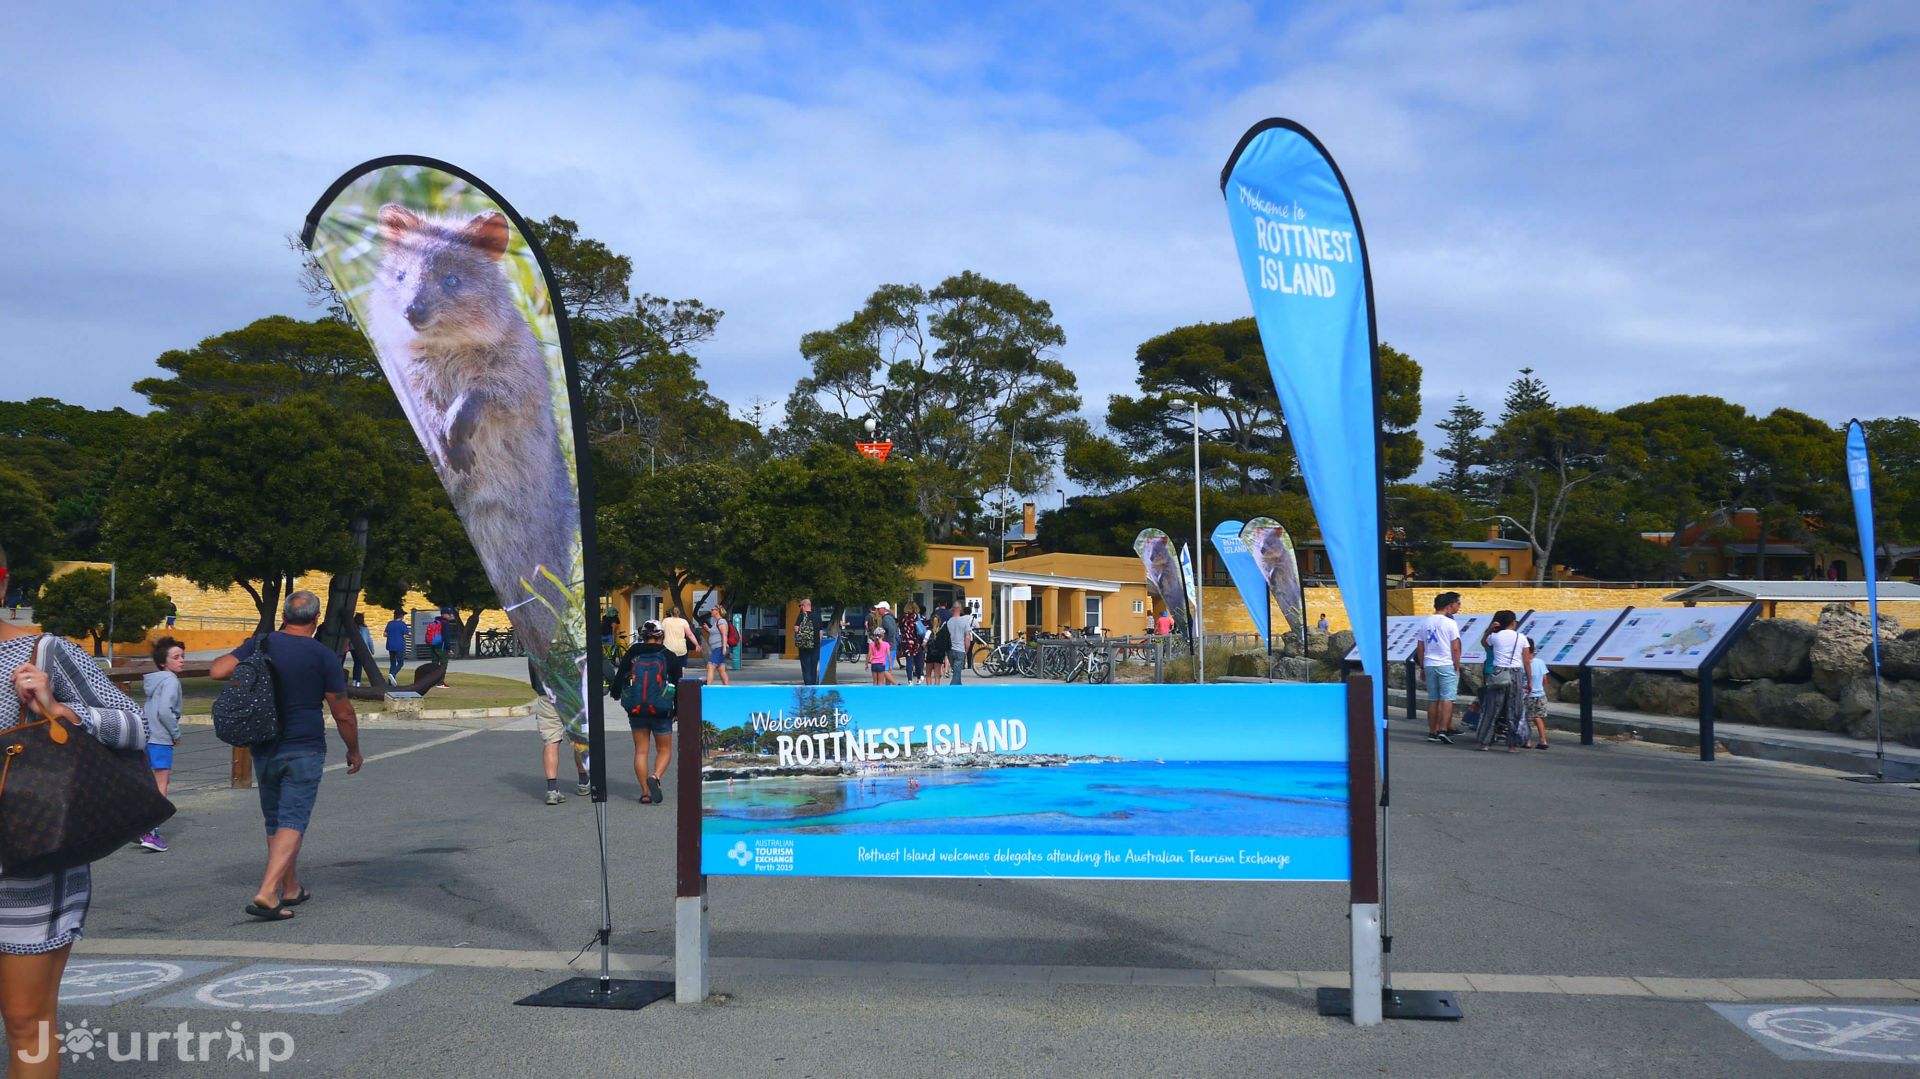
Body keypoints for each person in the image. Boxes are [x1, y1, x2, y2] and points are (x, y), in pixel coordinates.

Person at [0, 543, 150, 1079]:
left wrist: (62, 709)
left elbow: (137, 725)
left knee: (25, 1020)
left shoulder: (45, 653)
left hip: (28, 858)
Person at [210, 591, 365, 922]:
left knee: (275, 819)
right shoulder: (322, 655)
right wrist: (353, 750)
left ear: (283, 616)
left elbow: (218, 670)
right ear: (315, 619)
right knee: (294, 818)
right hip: (304, 745)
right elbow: (343, 712)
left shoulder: (261, 644)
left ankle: (290, 887)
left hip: (265, 743)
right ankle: (268, 892)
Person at [611, 620, 684, 804]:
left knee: (641, 751)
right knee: (664, 750)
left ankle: (645, 792)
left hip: (636, 711)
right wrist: (678, 710)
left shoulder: (633, 653)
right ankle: (656, 777)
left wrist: (616, 693)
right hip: (662, 711)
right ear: (661, 636)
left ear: (643, 636)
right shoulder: (669, 656)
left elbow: (619, 678)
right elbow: (678, 685)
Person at [137, 636, 187, 852]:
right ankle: (151, 832)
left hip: (147, 735)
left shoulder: (156, 681)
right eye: (176, 657)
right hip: (161, 737)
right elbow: (165, 711)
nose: (181, 660)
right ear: (163, 662)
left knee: (147, 783)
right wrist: (175, 732)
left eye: (182, 656)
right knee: (161, 785)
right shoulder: (171, 681)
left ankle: (139, 827)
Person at [530, 661, 589, 805]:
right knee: (578, 739)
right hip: (570, 693)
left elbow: (534, 675)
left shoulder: (537, 643)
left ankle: (552, 789)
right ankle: (583, 781)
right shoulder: (569, 641)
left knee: (551, 741)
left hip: (546, 695)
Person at [1476, 610, 1532, 753]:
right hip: (1516, 673)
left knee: (1492, 708)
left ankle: (1485, 742)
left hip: (1498, 673)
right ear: (1513, 622)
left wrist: (1489, 629)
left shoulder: (1495, 637)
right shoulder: (1522, 638)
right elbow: (1526, 662)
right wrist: (1530, 680)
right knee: (1514, 709)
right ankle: (1512, 745)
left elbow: (1484, 643)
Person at [1415, 591, 1463, 744]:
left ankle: (1432, 731)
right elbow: (1455, 647)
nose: (1458, 606)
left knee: (1433, 699)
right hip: (1446, 663)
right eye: (1457, 603)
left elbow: (1420, 647)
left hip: (1429, 664)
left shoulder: (1425, 622)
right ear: (1449, 605)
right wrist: (1457, 664)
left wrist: (1422, 666)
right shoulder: (1450, 623)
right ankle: (1443, 729)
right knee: (1447, 698)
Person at [1525, 637, 1552, 750]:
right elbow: (1545, 679)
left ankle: (1527, 741)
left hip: (1528, 695)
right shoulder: (1540, 662)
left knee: (1526, 718)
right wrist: (1545, 692)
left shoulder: (1523, 664)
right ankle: (1543, 740)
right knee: (1538, 717)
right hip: (1540, 694)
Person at [944, 598, 976, 685]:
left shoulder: (948, 622)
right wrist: (966, 650)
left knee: (956, 672)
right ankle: (952, 691)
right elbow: (967, 638)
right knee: (957, 674)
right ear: (960, 609)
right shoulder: (964, 622)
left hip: (950, 650)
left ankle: (959, 689)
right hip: (960, 650)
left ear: (952, 610)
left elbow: (945, 636)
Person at [793, 598, 822, 686]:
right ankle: (813, 685)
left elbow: (796, 628)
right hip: (815, 645)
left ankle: (808, 685)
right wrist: (818, 643)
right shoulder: (817, 616)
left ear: (804, 606)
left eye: (800, 606)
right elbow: (820, 632)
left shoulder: (801, 615)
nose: (800, 608)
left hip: (804, 645)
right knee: (813, 667)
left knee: (806, 667)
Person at [704, 606, 732, 687]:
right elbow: (715, 633)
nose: (711, 611)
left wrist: (723, 648)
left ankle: (708, 688)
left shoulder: (721, 621)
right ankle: (727, 688)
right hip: (717, 648)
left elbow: (724, 635)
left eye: (713, 609)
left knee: (710, 666)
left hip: (719, 647)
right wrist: (708, 629)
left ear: (717, 611)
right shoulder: (716, 622)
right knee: (721, 669)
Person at [899, 603, 925, 685]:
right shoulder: (917, 616)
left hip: (906, 641)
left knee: (909, 661)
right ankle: (919, 677)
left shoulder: (902, 617)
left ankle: (910, 680)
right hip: (916, 640)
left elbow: (901, 629)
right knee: (918, 660)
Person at [427, 609, 453, 688]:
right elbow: (446, 637)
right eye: (449, 614)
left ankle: (432, 681)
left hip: (433, 645)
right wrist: (449, 649)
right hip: (441, 646)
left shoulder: (435, 621)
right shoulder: (445, 623)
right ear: (444, 614)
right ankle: (440, 682)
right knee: (443, 664)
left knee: (434, 663)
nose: (450, 616)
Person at [925, 611, 951, 687]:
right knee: (937, 676)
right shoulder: (942, 631)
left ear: (931, 621)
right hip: (939, 655)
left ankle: (929, 690)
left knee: (928, 674)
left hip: (930, 654)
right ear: (939, 621)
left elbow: (924, 643)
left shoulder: (929, 631)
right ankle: (936, 690)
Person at [349, 612, 375, 687]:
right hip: (362, 648)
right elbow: (369, 639)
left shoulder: (353, 628)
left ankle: (354, 680)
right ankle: (357, 681)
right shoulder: (364, 628)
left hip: (353, 648)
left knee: (356, 663)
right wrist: (372, 649)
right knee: (359, 664)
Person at [383, 610, 409, 680]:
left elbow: (385, 634)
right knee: (400, 663)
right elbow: (405, 635)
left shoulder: (390, 623)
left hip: (390, 646)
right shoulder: (402, 624)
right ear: (401, 616)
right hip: (399, 645)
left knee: (393, 663)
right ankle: (393, 674)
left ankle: (390, 681)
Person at [868, 616, 894, 685]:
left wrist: (866, 664)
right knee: (880, 682)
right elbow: (889, 655)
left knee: (875, 682)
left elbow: (869, 655)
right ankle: (880, 695)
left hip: (874, 664)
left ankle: (874, 694)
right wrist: (891, 665)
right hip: (881, 664)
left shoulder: (872, 644)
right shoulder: (886, 644)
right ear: (883, 635)